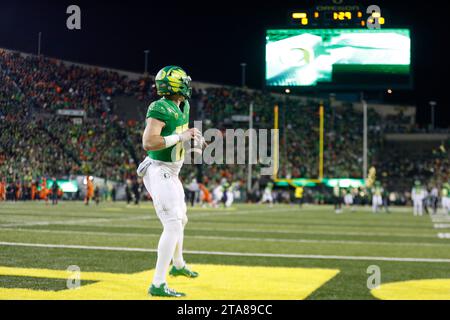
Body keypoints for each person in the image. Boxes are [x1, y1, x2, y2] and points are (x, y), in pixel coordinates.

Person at [139, 66, 201, 297]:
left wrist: (191, 141)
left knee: (181, 219)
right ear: (175, 85)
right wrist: (181, 137)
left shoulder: (182, 105)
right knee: (173, 223)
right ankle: (157, 283)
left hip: (171, 172)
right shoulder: (159, 107)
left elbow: (179, 138)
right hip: (159, 171)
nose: (188, 84)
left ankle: (178, 264)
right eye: (184, 81)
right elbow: (149, 142)